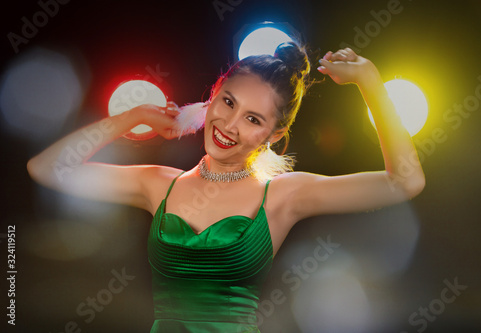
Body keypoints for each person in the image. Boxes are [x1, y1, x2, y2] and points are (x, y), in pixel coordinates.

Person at [27, 42, 425, 332]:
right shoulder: (157, 184)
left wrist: (370, 83)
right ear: (212, 98)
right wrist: (130, 118)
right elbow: (47, 168)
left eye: (254, 119)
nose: (230, 126)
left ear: (275, 133)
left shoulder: (285, 196)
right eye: (228, 102)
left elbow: (404, 181)